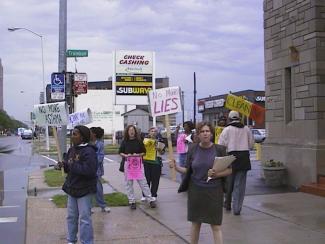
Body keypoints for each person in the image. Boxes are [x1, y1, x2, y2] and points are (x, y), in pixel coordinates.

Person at [170, 122, 232, 244]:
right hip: (196, 192)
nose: (205, 133)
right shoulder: (193, 149)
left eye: (207, 131)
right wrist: (176, 167)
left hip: (214, 192)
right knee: (195, 223)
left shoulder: (219, 149)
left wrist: (216, 174)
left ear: (211, 133)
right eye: (202, 131)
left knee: (215, 225)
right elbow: (188, 170)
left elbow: (230, 170)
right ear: (198, 134)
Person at [55, 125, 97, 244]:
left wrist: (72, 165)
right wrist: (63, 166)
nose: (72, 136)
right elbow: (69, 167)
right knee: (71, 217)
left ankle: (86, 241)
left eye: (75, 134)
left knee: (84, 219)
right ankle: (71, 240)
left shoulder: (89, 151)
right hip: (72, 188)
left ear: (82, 137)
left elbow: (90, 170)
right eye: (72, 133)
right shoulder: (71, 150)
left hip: (85, 190)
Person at [218, 110, 254, 215]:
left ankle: (227, 203)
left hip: (230, 157)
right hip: (243, 158)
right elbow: (251, 145)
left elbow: (221, 145)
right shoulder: (246, 129)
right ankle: (237, 208)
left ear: (229, 119)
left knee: (229, 183)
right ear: (239, 118)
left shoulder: (227, 130)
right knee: (240, 185)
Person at [118, 125, 156, 210]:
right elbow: (120, 152)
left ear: (135, 132)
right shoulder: (124, 141)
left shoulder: (139, 141)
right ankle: (132, 201)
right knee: (129, 184)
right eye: (130, 130)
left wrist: (138, 155)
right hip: (128, 164)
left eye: (133, 130)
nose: (131, 132)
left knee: (143, 182)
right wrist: (126, 155)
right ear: (127, 132)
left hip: (138, 165)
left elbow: (144, 152)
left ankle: (150, 200)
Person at [90, 127, 110, 213]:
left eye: (90, 132)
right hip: (87, 170)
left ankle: (103, 206)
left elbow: (100, 157)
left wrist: (91, 162)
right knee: (88, 189)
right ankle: (89, 207)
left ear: (94, 134)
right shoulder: (87, 143)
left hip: (96, 170)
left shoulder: (100, 144)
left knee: (98, 188)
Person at [142, 127, 165, 201]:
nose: (153, 132)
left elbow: (163, 152)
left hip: (156, 162)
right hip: (146, 162)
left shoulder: (160, 141)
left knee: (155, 180)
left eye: (155, 131)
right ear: (149, 132)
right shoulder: (145, 140)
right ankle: (145, 195)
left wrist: (159, 149)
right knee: (146, 180)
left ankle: (153, 194)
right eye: (152, 131)